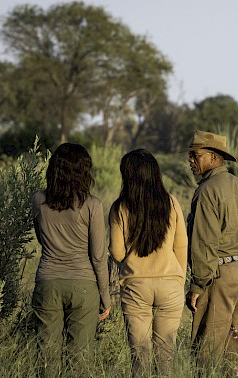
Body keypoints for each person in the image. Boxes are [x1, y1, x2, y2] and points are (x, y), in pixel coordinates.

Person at [185, 130, 238, 375]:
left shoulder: (207, 190)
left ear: (214, 157)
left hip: (223, 274)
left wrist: (198, 285)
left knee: (207, 348)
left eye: (195, 155)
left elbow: (204, 242)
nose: (190, 160)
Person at [31, 143, 111, 376]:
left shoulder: (38, 200)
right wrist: (105, 296)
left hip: (47, 281)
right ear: (84, 171)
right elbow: (98, 256)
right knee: (80, 358)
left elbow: (41, 238)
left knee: (46, 355)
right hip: (84, 286)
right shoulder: (92, 204)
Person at [108, 149, 188, 377]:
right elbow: (181, 246)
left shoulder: (120, 207)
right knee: (166, 357)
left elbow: (116, 251)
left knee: (139, 357)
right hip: (171, 285)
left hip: (136, 286)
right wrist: (178, 277)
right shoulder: (171, 203)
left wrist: (132, 263)